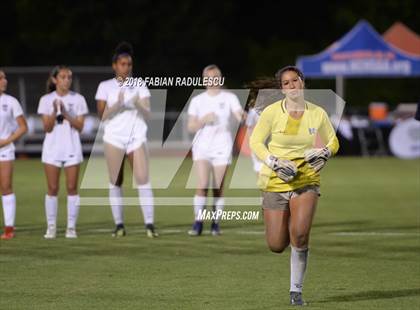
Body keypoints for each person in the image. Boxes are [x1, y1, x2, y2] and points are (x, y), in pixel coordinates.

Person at [250, 66, 339, 306]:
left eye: (295, 81)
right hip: (275, 178)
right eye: (286, 83)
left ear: (303, 83)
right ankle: (277, 217)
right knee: (277, 245)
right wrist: (273, 161)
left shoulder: (317, 113)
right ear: (281, 88)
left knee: (299, 234)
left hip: (306, 178)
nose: (292, 86)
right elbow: (256, 141)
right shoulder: (271, 112)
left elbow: (333, 141)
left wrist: (325, 152)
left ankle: (295, 291)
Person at [95, 42, 158, 238]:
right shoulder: (105, 86)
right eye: (123, 64)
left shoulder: (139, 84)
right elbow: (102, 115)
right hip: (114, 138)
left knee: (142, 179)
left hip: (136, 136)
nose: (127, 67)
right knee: (116, 180)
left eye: (129, 64)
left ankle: (149, 225)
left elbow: (148, 113)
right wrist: (118, 105)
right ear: (115, 65)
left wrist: (137, 103)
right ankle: (119, 225)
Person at [187, 65, 243, 236]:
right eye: (209, 77)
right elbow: (191, 126)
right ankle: (198, 223)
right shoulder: (197, 100)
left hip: (222, 147)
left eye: (216, 77)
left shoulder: (229, 97)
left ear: (220, 78)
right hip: (202, 147)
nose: (213, 80)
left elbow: (239, 114)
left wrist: (246, 115)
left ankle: (215, 224)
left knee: (217, 187)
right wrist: (203, 120)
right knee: (202, 185)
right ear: (204, 80)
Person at [38, 65, 88, 239]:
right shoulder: (46, 100)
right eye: (63, 77)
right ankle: (51, 227)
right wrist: (54, 110)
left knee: (72, 187)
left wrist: (66, 113)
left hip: (72, 147)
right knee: (52, 188)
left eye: (69, 77)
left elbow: (81, 127)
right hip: (52, 149)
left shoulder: (79, 99)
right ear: (55, 80)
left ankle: (71, 228)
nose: (67, 80)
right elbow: (47, 127)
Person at [0, 69, 28, 239]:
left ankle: (9, 229)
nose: (4, 80)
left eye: (4, 77)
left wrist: (6, 141)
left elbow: (23, 127)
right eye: (0, 78)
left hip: (4, 150)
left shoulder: (11, 102)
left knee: (6, 187)